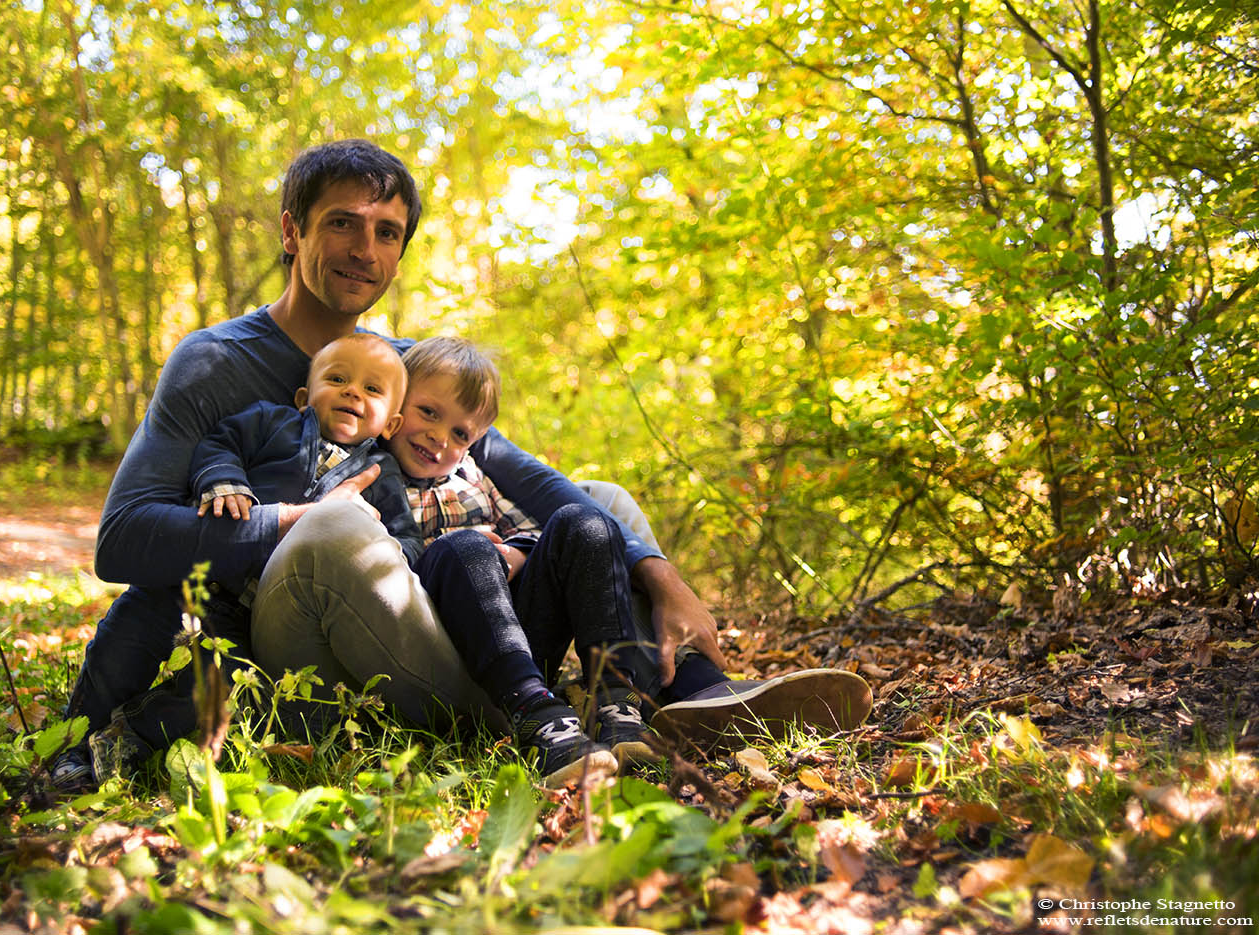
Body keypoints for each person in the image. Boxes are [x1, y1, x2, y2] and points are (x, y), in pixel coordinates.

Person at [55, 139, 866, 788]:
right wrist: (278, 521)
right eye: (341, 222)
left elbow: (534, 479)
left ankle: (686, 692)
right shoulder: (214, 363)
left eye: (386, 232)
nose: (363, 248)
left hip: (419, 628)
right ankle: (536, 709)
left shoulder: (404, 374)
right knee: (339, 524)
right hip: (296, 629)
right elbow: (122, 539)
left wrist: (663, 575)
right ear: (291, 230)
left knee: (600, 499)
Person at [83, 332, 419, 780]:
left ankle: (128, 735)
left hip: (250, 612)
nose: (353, 391)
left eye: (372, 389)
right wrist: (222, 480)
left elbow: (406, 540)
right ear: (305, 396)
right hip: (194, 577)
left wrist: (373, 539)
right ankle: (74, 735)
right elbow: (220, 444)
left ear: (392, 425)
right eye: (337, 379)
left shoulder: (382, 474)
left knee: (226, 692)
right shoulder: (271, 422)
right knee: (123, 641)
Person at [389, 337, 659, 786]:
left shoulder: (474, 480)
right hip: (442, 647)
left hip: (517, 638)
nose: (440, 438)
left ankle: (612, 695)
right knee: (465, 547)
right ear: (396, 405)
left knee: (586, 522)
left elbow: (531, 530)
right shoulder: (369, 473)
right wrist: (467, 546)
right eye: (429, 413)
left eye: (461, 433)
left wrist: (517, 553)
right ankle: (536, 715)